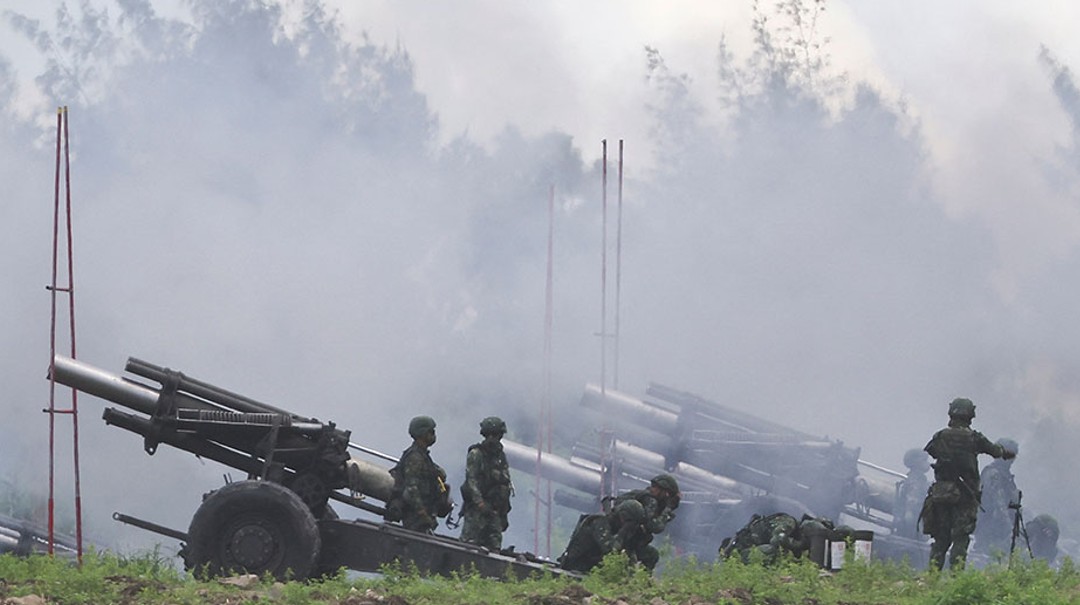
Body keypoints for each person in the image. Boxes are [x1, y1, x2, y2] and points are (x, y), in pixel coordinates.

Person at [920, 398, 1016, 570]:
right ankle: (956, 576)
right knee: (961, 537)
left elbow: (932, 452)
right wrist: (1005, 452)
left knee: (941, 538)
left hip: (942, 494)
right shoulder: (974, 438)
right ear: (970, 415)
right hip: (965, 496)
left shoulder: (940, 436)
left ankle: (932, 575)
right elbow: (996, 451)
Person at [385, 415, 453, 533]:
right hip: (415, 515)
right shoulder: (415, 457)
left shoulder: (423, 456)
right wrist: (422, 513)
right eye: (431, 432)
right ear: (423, 433)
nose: (434, 435)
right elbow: (412, 488)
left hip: (424, 512)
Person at [459, 416, 514, 550]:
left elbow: (505, 483)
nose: (494, 439)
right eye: (491, 435)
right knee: (469, 545)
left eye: (497, 435)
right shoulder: (476, 454)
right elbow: (471, 479)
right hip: (477, 510)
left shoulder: (500, 456)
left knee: (494, 548)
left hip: (495, 510)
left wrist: (504, 512)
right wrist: (480, 503)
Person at [608, 474, 681, 570]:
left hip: (624, 537)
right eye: (667, 493)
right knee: (649, 556)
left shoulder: (645, 497)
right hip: (621, 538)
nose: (667, 497)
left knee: (651, 555)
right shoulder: (651, 500)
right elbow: (655, 527)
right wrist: (668, 509)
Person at [558, 499, 650, 573]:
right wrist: (623, 531)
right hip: (577, 566)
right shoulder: (600, 522)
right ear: (623, 516)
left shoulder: (615, 527)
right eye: (630, 522)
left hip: (591, 568)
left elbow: (629, 554)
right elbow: (610, 551)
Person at [973, 438, 1020, 557]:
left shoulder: (1005, 476)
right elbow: (999, 503)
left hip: (999, 526)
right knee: (988, 556)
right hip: (991, 525)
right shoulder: (994, 474)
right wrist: (1009, 528)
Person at [892, 448, 932, 540]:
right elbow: (912, 499)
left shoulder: (917, 478)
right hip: (912, 520)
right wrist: (909, 514)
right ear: (917, 463)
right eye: (924, 460)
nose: (927, 463)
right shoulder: (915, 479)